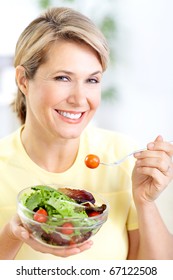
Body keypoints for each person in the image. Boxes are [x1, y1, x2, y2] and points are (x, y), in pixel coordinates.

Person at [0, 7, 173, 260]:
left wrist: (144, 201)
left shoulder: (122, 157)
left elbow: (156, 272)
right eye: (62, 78)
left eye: (92, 80)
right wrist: (11, 235)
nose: (80, 99)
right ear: (24, 80)